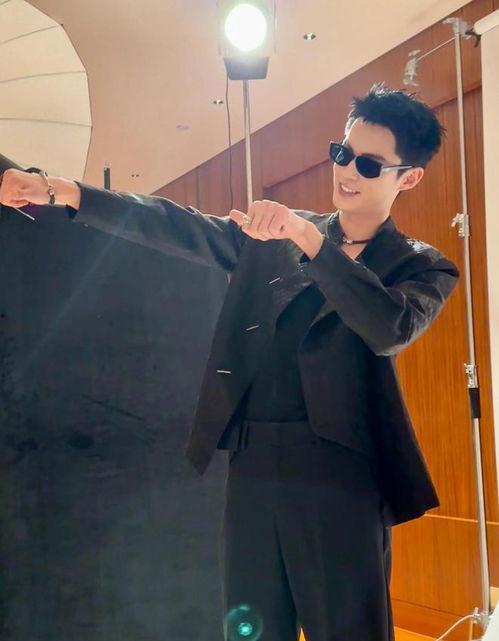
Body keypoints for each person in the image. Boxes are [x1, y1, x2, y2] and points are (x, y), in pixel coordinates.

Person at [0, 83, 459, 641]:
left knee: (348, 629)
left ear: (408, 178)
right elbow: (177, 224)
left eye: (368, 164)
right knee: (250, 626)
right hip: (253, 464)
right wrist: (67, 192)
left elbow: (388, 328)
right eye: (342, 153)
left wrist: (311, 241)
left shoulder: (421, 266)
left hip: (343, 475)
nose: (346, 171)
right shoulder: (275, 238)